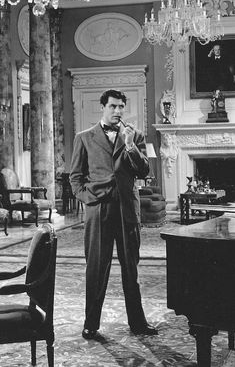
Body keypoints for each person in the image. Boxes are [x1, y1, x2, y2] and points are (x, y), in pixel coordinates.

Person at [70, 89, 158, 340]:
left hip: (127, 209)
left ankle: (138, 323)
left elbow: (143, 171)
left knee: (131, 268)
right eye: (113, 106)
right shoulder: (84, 137)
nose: (118, 111)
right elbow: (75, 177)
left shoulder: (135, 136)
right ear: (103, 107)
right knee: (96, 267)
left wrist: (130, 146)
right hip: (99, 210)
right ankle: (91, 324)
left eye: (121, 107)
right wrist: (89, 198)